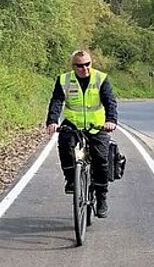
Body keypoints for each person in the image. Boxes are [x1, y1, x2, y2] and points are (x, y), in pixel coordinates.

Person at [46, 50, 118, 217]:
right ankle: (72, 179)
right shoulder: (64, 79)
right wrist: (52, 121)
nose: (84, 68)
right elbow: (57, 101)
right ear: (73, 66)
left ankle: (101, 197)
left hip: (97, 125)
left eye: (87, 64)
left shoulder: (101, 78)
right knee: (64, 143)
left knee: (101, 159)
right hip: (73, 123)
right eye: (79, 65)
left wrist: (111, 120)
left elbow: (109, 101)